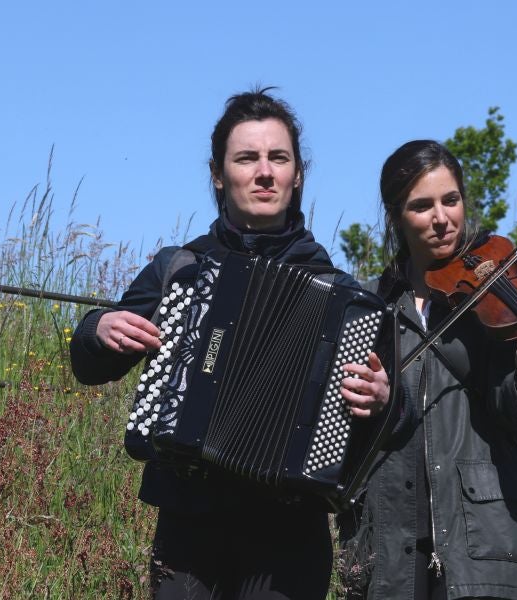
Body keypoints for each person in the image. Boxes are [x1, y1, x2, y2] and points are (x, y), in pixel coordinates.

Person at [70, 88, 391, 599]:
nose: (264, 172)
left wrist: (381, 401)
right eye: (247, 158)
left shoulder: (345, 298)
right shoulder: (179, 268)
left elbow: (384, 433)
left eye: (278, 158)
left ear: (297, 173)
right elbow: (89, 366)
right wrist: (98, 328)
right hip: (188, 523)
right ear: (219, 174)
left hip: (290, 533)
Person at [336, 140, 517, 599]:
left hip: (486, 535)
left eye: (450, 200)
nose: (442, 218)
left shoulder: (497, 299)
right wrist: (375, 402)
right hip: (388, 536)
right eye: (422, 206)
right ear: (396, 215)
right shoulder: (368, 306)